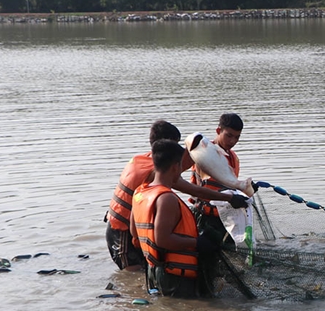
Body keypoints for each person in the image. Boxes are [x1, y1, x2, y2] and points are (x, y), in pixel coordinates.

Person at [106, 120, 247, 270]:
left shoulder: (144, 159)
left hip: (135, 227)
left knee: (144, 273)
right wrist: (230, 198)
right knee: (134, 272)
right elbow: (194, 190)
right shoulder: (156, 171)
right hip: (120, 229)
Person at [130, 140, 216, 298]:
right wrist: (197, 243)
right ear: (176, 166)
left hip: (154, 271)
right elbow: (162, 239)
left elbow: (133, 231)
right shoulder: (166, 198)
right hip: (175, 276)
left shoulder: (140, 192)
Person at [188, 113, 250, 248]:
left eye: (237, 137)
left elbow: (232, 187)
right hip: (206, 217)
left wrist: (247, 190)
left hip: (226, 217)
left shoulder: (233, 157)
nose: (232, 141)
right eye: (229, 135)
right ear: (218, 131)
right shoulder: (204, 152)